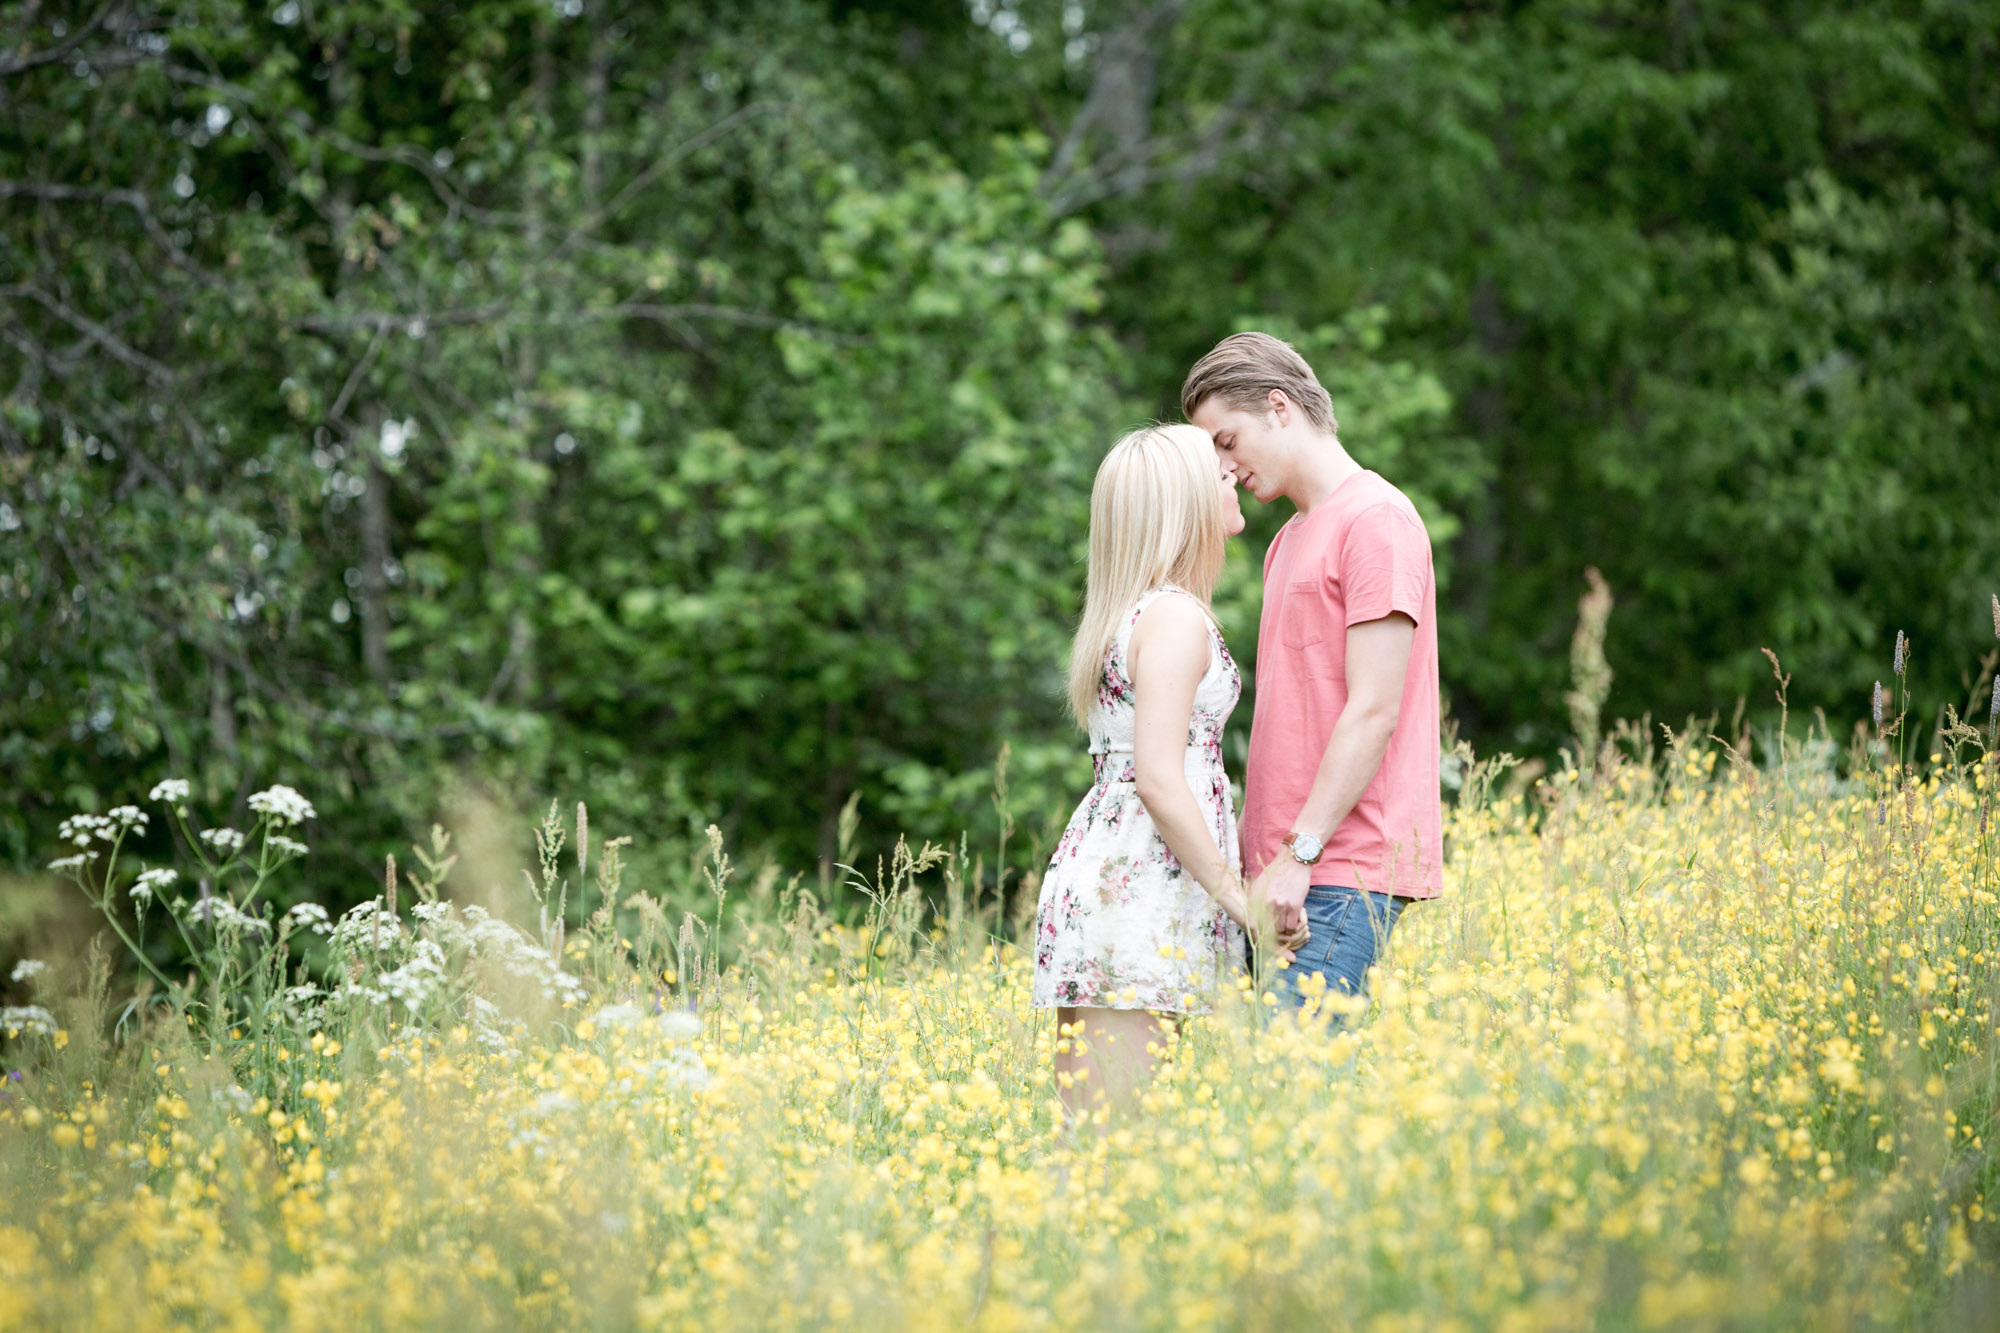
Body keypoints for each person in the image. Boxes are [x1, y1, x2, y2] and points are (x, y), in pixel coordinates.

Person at [1029, 422, 1288, 1123]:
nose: (1231, 472)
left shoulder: (1153, 612)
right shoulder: (1173, 618)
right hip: (1136, 893)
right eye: (1215, 468)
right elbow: (1159, 777)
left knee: (1105, 1134)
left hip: (1134, 884)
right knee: (1106, 1139)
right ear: (1181, 502)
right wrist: (1241, 900)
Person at [1183, 331, 1443, 1022]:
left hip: (1335, 868)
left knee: (1297, 1099)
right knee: (1266, 1107)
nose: (1225, 466)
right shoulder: (1289, 538)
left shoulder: (1377, 519)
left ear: (1278, 407)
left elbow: (1374, 710)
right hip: (1278, 874)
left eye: (1227, 440)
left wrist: (1300, 852)